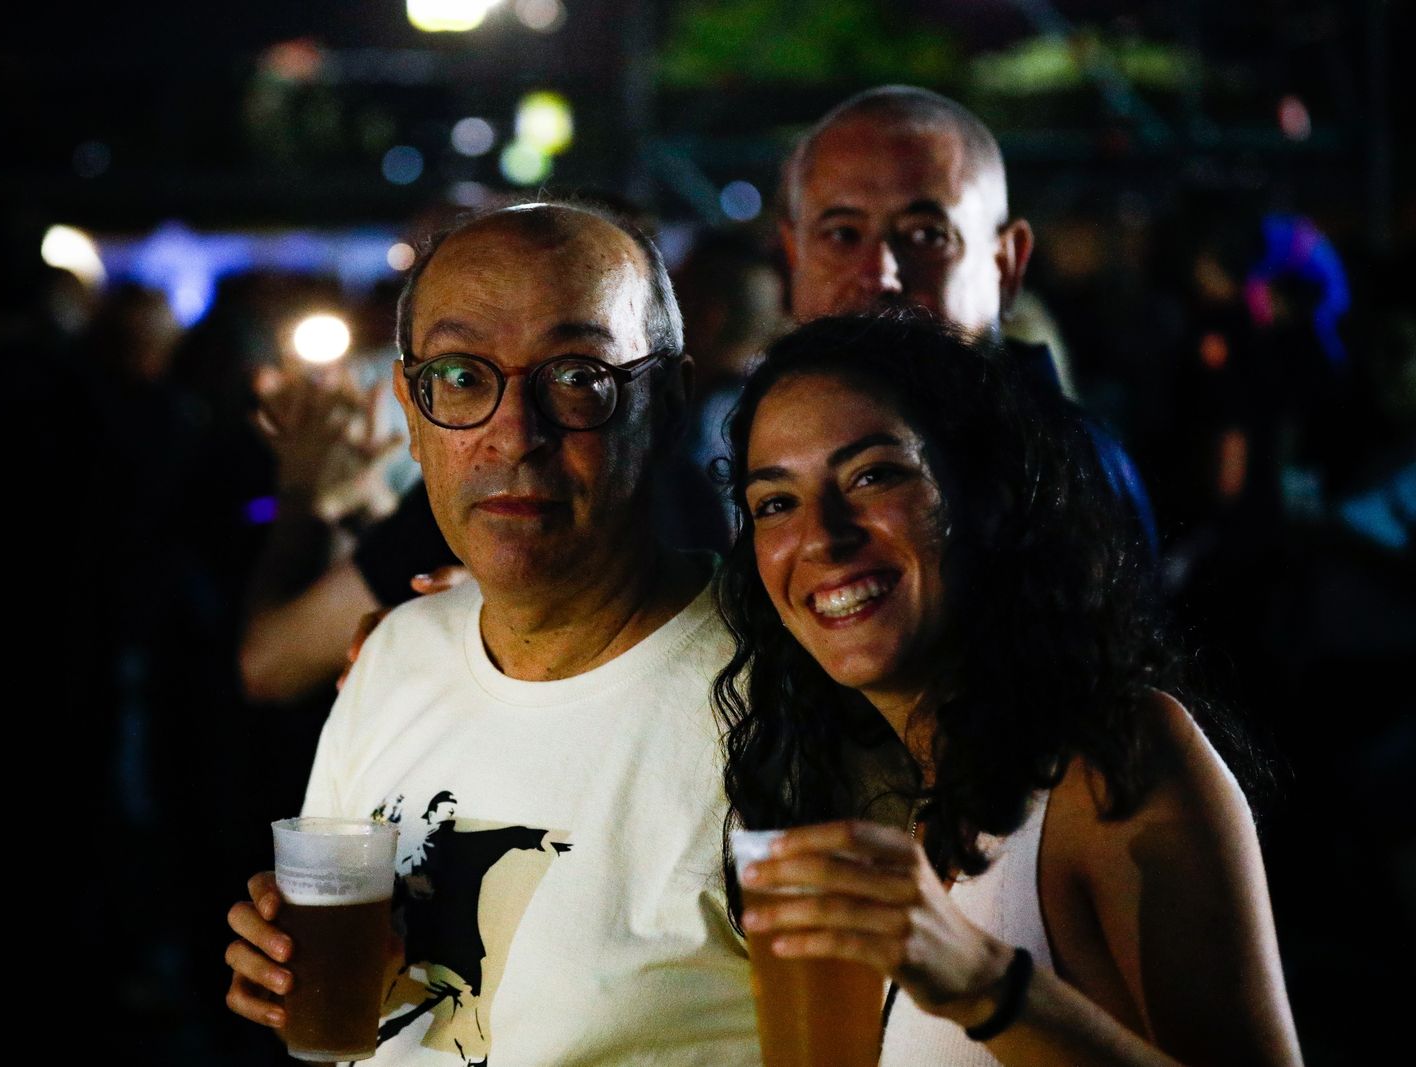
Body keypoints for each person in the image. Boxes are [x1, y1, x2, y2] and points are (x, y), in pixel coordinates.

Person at [224, 201, 759, 1065]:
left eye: (579, 375)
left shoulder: (781, 698)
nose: (515, 432)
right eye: (464, 376)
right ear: (410, 405)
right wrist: (289, 963)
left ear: (665, 401)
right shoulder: (394, 654)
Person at [714, 311, 1302, 1066]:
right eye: (776, 502)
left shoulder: (1110, 762)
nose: (824, 535)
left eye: (873, 474)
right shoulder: (880, 795)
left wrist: (987, 985)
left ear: (976, 493)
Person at [779, 85, 1158, 550]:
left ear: (1007, 264)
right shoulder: (763, 452)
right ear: (793, 254)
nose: (880, 274)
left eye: (926, 236)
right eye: (841, 234)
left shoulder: (1063, 481)